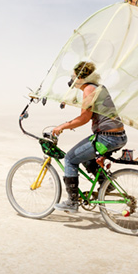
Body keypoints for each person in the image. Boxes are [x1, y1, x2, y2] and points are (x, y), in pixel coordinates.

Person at [51, 61, 127, 212]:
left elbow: (84, 118)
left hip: (107, 137)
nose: (71, 80)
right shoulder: (98, 87)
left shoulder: (88, 90)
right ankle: (106, 183)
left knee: (70, 159)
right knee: (85, 156)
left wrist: (62, 126)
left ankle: (72, 202)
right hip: (119, 136)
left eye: (73, 76)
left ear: (81, 77)